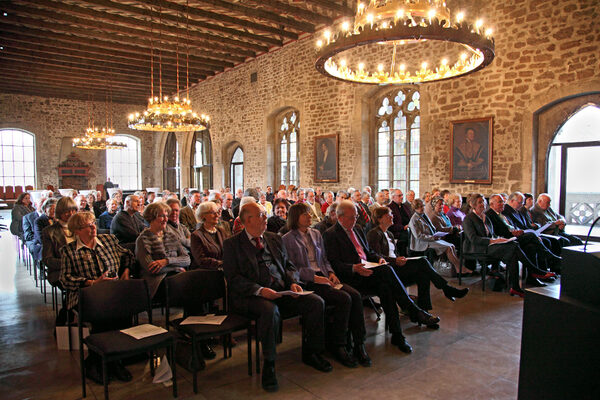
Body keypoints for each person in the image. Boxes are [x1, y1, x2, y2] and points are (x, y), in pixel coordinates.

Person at [223, 202, 332, 392]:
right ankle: (270, 365)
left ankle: (312, 352)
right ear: (248, 220)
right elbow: (233, 279)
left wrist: (292, 282)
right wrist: (259, 290)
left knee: (316, 303)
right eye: (262, 215)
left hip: (282, 290)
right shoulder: (232, 245)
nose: (266, 218)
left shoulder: (274, 238)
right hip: (252, 297)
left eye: (265, 214)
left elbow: (289, 266)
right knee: (269, 311)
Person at [323, 201, 441, 354]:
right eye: (351, 217)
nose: (355, 220)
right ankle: (412, 309)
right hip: (352, 277)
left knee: (387, 287)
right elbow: (334, 263)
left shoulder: (357, 229)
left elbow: (369, 252)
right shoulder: (331, 234)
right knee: (386, 273)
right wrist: (354, 268)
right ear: (340, 218)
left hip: (370, 272)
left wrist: (379, 259)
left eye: (356, 216)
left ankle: (397, 335)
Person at [282, 203, 371, 368]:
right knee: (343, 299)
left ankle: (359, 343)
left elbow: (324, 259)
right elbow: (291, 268)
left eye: (310, 213)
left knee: (355, 296)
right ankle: (339, 345)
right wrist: (315, 278)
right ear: (295, 217)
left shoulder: (316, 233)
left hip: (324, 276)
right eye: (305, 214)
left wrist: (330, 273)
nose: (310, 216)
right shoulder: (287, 239)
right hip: (307, 281)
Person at [59, 211, 134, 385]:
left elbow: (128, 255)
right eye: (88, 225)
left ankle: (114, 361)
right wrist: (91, 282)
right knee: (103, 319)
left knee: (122, 316)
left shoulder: (108, 240)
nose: (93, 227)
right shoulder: (68, 251)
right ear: (77, 231)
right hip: (86, 296)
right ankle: (98, 363)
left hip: (112, 293)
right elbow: (65, 279)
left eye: (94, 223)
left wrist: (126, 272)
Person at [368, 206, 468, 310]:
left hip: (396, 265)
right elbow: (376, 255)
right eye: (389, 214)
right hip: (388, 270)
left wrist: (399, 258)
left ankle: (425, 311)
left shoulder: (389, 234)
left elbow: (394, 254)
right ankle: (446, 289)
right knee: (422, 261)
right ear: (380, 219)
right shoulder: (374, 233)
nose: (392, 216)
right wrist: (395, 260)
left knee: (423, 274)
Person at [463, 194, 543, 298]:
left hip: (489, 246)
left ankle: (515, 287)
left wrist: (501, 239)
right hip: (477, 248)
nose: (483, 204)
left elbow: (491, 234)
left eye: (483, 202)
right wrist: (493, 241)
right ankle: (534, 271)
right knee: (512, 248)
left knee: (512, 250)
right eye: (479, 202)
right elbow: (473, 239)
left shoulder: (485, 217)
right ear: (473, 205)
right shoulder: (468, 219)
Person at [486, 194, 559, 285]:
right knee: (532, 235)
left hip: (513, 236)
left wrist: (516, 231)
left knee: (531, 246)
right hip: (506, 240)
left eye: (503, 202)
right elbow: (496, 232)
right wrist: (512, 233)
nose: (503, 204)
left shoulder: (501, 214)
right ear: (492, 204)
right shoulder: (489, 215)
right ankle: (550, 259)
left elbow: (511, 227)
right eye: (500, 202)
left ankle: (532, 278)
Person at [135, 202, 190, 299]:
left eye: (166, 216)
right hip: (156, 281)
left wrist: (167, 261)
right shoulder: (143, 239)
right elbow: (151, 269)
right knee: (188, 283)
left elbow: (186, 259)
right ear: (151, 218)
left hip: (175, 276)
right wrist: (176, 268)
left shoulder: (171, 235)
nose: (165, 219)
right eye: (161, 216)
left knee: (194, 280)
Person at [408, 199, 463, 276]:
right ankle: (459, 268)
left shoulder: (424, 215)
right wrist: (433, 237)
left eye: (423, 206)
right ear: (415, 208)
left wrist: (437, 234)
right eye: (420, 207)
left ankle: (457, 268)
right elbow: (419, 236)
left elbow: (432, 228)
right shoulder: (414, 219)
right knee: (448, 248)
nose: (422, 208)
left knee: (451, 246)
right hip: (423, 242)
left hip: (431, 239)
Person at [42, 196, 77, 287]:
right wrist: (70, 264)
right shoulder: (49, 231)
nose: (71, 214)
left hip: (82, 268)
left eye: (73, 210)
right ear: (59, 212)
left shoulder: (79, 227)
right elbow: (48, 259)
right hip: (60, 271)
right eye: (67, 211)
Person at [190, 201, 228, 269]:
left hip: (224, 269)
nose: (217, 215)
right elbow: (201, 260)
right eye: (213, 213)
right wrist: (222, 263)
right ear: (203, 215)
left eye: (217, 212)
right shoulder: (196, 235)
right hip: (207, 273)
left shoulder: (221, 231)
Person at [387, 189, 411, 255]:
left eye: (402, 195)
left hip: (408, 229)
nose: (402, 197)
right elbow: (390, 225)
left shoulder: (405, 207)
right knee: (406, 238)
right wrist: (403, 227)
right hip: (397, 232)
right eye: (399, 196)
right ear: (393, 197)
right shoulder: (389, 208)